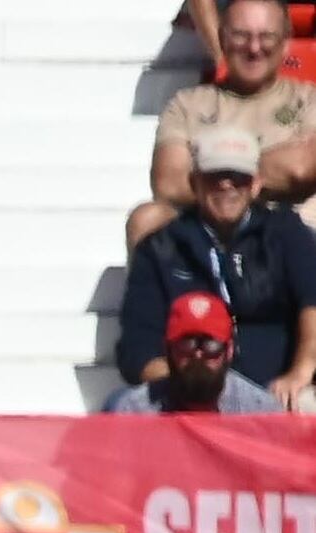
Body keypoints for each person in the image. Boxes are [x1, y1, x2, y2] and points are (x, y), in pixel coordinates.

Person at [118, 128, 316, 409]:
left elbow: (313, 303)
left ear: (256, 183)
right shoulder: (161, 247)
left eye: (239, 177)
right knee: (121, 407)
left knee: (308, 407)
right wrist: (191, 384)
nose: (226, 186)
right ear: (194, 182)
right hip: (187, 388)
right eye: (214, 177)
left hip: (275, 388)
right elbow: (138, 346)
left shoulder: (287, 233)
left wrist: (300, 372)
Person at [136, 0, 316, 246]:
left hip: (290, 225)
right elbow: (169, 184)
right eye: (241, 36)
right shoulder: (187, 104)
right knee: (147, 218)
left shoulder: (309, 99)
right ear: (221, 39)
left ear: (285, 42)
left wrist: (212, 172)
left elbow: (300, 168)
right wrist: (254, 177)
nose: (254, 48)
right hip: (208, 227)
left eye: (266, 36)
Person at [107, 290, 285, 414]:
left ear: (229, 350)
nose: (198, 354)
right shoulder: (134, 411)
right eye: (187, 344)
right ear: (168, 349)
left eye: (210, 345)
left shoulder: (260, 411)